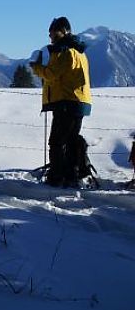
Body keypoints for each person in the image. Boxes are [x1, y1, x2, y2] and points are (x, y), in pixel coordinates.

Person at [29, 16, 92, 187]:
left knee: (56, 141)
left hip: (67, 102)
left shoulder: (66, 52)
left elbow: (51, 74)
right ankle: (71, 174)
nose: (51, 38)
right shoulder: (79, 51)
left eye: (54, 34)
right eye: (50, 35)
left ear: (64, 32)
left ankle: (57, 177)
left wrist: (36, 68)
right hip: (77, 102)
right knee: (70, 140)